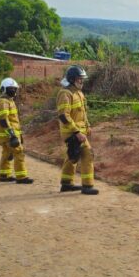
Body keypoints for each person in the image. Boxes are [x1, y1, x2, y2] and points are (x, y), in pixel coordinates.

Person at [57, 65, 98, 195]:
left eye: (82, 79)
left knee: (72, 155)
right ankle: (87, 185)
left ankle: (66, 183)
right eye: (80, 79)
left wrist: (87, 125)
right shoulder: (65, 93)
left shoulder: (79, 93)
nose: (82, 81)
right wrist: (76, 132)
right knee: (87, 154)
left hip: (79, 131)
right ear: (72, 79)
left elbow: (83, 113)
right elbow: (64, 115)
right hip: (71, 132)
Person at [0, 77, 33, 184]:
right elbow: (3, 120)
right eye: (11, 89)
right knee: (19, 152)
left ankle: (4, 175)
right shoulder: (3, 102)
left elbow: (13, 121)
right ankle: (21, 177)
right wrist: (12, 135)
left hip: (7, 135)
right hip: (8, 135)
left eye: (14, 89)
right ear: (4, 89)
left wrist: (19, 135)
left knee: (6, 153)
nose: (13, 91)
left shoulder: (8, 101)